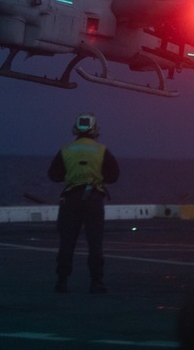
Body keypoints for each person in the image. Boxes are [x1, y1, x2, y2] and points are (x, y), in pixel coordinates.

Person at [47, 111, 120, 294]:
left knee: (67, 241)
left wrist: (73, 173)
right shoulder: (102, 150)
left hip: (71, 199)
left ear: (76, 129)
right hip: (93, 200)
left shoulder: (65, 150)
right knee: (94, 242)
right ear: (95, 129)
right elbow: (113, 176)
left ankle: (61, 281)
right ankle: (97, 282)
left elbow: (53, 175)